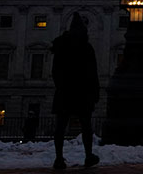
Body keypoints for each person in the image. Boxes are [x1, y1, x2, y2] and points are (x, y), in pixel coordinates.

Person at [51, 13, 99, 169]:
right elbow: (92, 73)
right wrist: (95, 92)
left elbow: (55, 70)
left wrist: (61, 86)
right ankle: (88, 155)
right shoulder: (86, 47)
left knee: (60, 126)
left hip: (65, 91)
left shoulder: (61, 46)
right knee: (86, 126)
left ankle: (59, 158)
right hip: (82, 92)